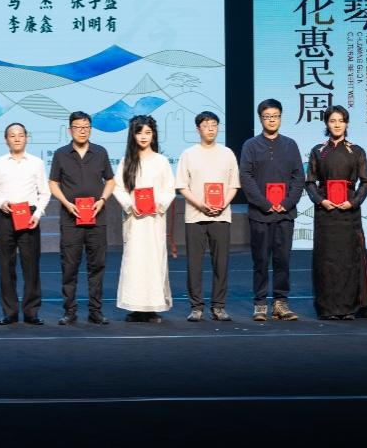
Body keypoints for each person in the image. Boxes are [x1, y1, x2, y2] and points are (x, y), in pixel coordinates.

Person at [238, 98, 305, 322]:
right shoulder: (250, 145)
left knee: (282, 260)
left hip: (285, 214)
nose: (272, 120)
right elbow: (246, 177)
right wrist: (265, 203)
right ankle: (260, 304)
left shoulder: (290, 145)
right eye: (267, 117)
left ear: (280, 118)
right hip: (260, 214)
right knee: (260, 261)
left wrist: (287, 202)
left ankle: (280, 303)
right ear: (260, 119)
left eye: (275, 116)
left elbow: (299, 176)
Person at [304, 105, 367, 320]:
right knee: (326, 260)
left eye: (341, 121)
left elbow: (366, 182)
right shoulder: (318, 150)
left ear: (347, 124)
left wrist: (353, 202)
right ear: (326, 123)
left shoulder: (357, 151)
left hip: (348, 213)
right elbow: (310, 182)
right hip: (325, 213)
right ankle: (326, 309)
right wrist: (321, 201)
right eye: (332, 120)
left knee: (348, 259)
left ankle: (349, 308)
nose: (337, 125)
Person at [48, 111, 116, 326]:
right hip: (71, 219)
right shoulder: (61, 154)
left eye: (86, 127)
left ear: (91, 129)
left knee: (97, 266)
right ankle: (69, 311)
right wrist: (66, 203)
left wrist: (102, 200)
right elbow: (53, 183)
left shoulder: (100, 152)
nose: (82, 131)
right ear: (70, 130)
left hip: (97, 217)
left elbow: (110, 180)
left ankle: (95, 311)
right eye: (78, 127)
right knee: (69, 266)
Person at [175, 111, 240, 322]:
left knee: (221, 263)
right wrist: (200, 205)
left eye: (214, 125)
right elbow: (182, 186)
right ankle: (196, 307)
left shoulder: (227, 153)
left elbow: (234, 185)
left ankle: (219, 306)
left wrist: (223, 204)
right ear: (198, 129)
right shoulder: (188, 154)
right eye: (206, 125)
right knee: (194, 264)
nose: (211, 129)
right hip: (195, 216)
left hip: (221, 215)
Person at [111, 115, 173, 322]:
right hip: (135, 220)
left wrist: (158, 204)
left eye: (148, 132)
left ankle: (152, 307)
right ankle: (135, 306)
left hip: (154, 220)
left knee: (154, 261)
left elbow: (169, 189)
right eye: (139, 132)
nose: (144, 137)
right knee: (135, 262)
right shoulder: (126, 161)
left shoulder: (161, 161)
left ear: (153, 134)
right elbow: (118, 188)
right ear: (133, 135)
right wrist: (130, 205)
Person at [0, 122, 50, 325]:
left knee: (30, 265)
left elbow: (44, 192)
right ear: (6, 139)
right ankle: (10, 312)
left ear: (26, 138)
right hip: (6, 215)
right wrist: (1, 202)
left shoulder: (36, 163)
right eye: (12, 135)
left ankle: (31, 312)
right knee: (6, 266)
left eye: (20, 135)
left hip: (29, 216)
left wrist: (38, 214)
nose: (17, 138)